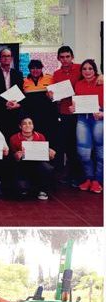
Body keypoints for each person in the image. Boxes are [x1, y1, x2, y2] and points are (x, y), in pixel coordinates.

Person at [70, 59, 103, 194]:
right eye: (84, 69)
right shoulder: (78, 84)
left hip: (100, 119)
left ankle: (98, 180)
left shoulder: (102, 82)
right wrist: (73, 108)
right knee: (83, 153)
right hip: (83, 118)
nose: (87, 71)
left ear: (95, 70)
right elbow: (76, 103)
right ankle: (88, 178)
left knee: (101, 153)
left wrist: (102, 114)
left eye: (90, 68)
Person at [51, 46, 83, 183]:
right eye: (62, 57)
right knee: (66, 145)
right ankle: (69, 175)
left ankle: (80, 176)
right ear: (58, 58)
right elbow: (53, 94)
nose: (65, 59)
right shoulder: (56, 74)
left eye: (67, 56)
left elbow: (93, 76)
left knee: (79, 145)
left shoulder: (81, 68)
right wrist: (52, 95)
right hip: (64, 113)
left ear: (72, 57)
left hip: (81, 112)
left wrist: (101, 77)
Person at [9, 116, 56, 200]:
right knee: (21, 191)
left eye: (30, 123)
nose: (27, 125)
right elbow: (12, 157)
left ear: (33, 125)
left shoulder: (40, 136)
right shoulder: (14, 138)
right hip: (22, 165)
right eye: (24, 124)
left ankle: (43, 190)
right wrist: (16, 156)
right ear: (20, 126)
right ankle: (25, 187)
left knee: (47, 168)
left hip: (37, 164)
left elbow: (44, 154)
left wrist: (50, 154)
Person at [0, 48, 24, 140]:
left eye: (8, 56)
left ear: (11, 58)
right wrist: (5, 103)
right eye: (4, 56)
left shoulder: (18, 74)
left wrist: (18, 104)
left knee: (14, 139)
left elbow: (22, 93)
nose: (6, 58)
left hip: (15, 113)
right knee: (0, 140)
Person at [22, 60, 58, 146]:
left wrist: (53, 97)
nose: (35, 70)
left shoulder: (50, 78)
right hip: (31, 116)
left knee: (49, 138)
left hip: (48, 116)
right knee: (34, 138)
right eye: (32, 68)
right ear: (29, 69)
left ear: (41, 68)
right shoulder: (24, 81)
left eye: (38, 68)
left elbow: (57, 96)